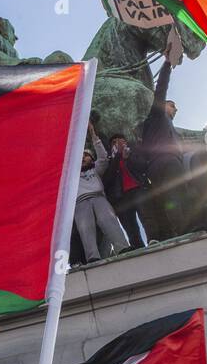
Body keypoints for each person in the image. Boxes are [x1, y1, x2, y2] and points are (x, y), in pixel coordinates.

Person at [136, 47, 182, 243]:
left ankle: (173, 233)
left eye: (176, 108)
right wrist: (167, 63)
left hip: (162, 166)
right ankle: (181, 232)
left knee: (171, 199)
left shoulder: (172, 129)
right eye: (172, 105)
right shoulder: (157, 114)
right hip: (164, 164)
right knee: (176, 198)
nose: (175, 109)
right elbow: (161, 87)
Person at [73, 122, 129, 265]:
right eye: (80, 156)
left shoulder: (96, 169)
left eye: (86, 155)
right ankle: (92, 256)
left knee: (109, 221)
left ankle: (122, 248)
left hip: (99, 198)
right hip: (80, 202)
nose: (83, 158)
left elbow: (103, 157)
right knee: (85, 228)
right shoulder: (71, 175)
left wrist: (93, 134)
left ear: (91, 159)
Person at [102, 133, 146, 250]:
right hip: (121, 197)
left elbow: (143, 166)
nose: (118, 144)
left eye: (121, 141)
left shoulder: (133, 153)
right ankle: (138, 248)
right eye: (114, 142)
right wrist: (117, 157)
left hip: (138, 190)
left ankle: (153, 239)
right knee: (130, 226)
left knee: (146, 217)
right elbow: (107, 180)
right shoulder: (109, 161)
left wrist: (128, 157)